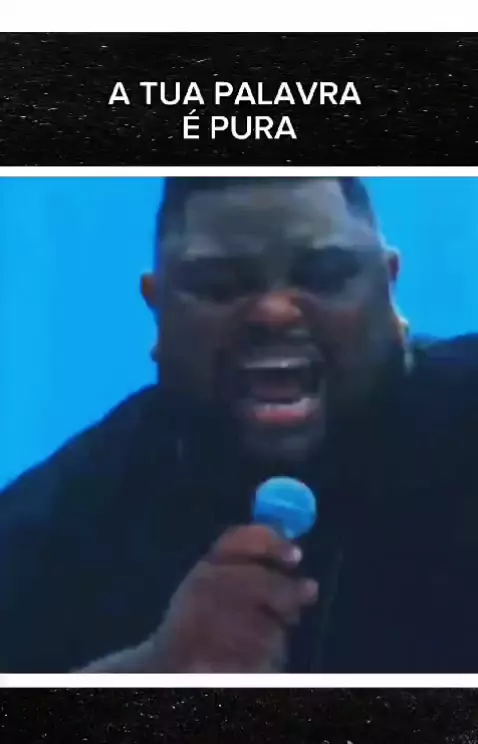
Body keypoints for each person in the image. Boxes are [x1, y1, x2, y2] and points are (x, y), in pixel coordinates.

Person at [1, 176, 478, 674]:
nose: (275, 312)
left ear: (390, 286)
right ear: (157, 306)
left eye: (324, 276)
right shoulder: (56, 527)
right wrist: (152, 670)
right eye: (220, 286)